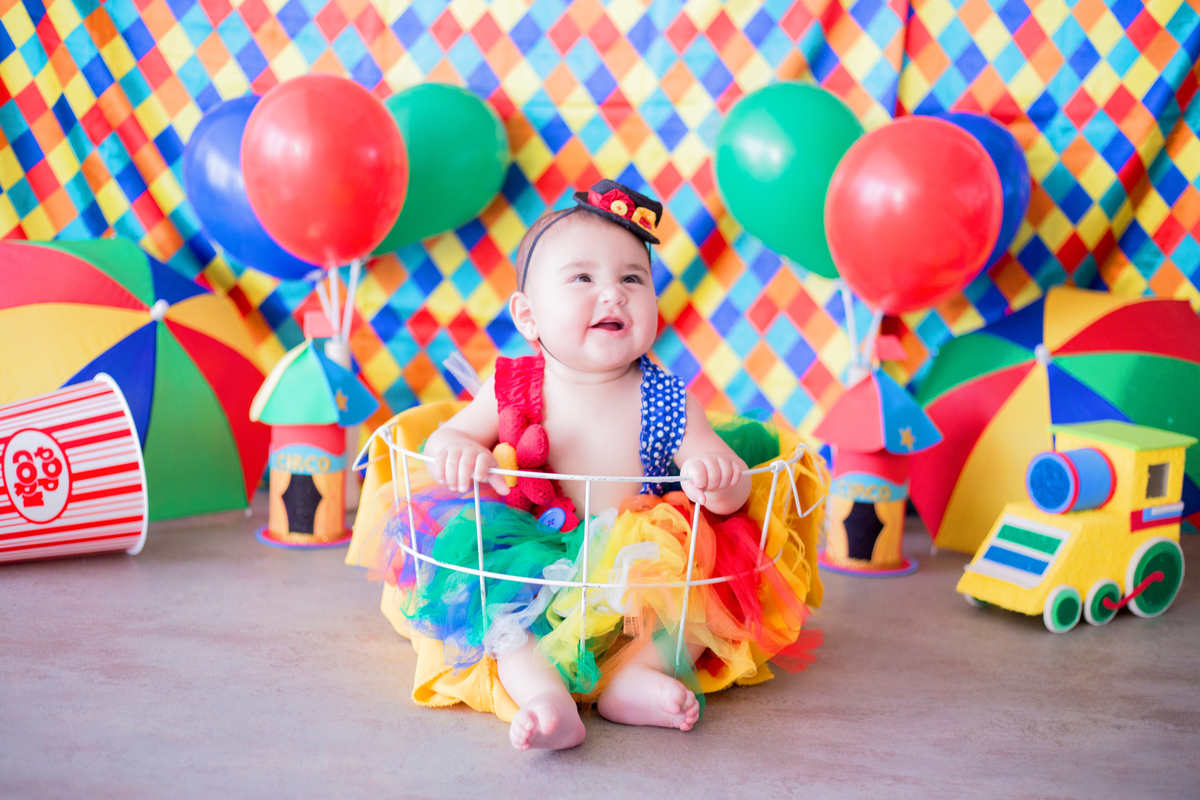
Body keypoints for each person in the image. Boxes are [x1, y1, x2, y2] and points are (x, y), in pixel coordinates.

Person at [348, 180, 825, 751]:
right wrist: (460, 452)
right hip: (530, 547)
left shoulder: (667, 398)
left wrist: (717, 479)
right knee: (498, 620)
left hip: (639, 558)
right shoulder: (513, 383)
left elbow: (717, 470)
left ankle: (638, 676)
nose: (614, 295)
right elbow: (448, 437)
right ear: (528, 316)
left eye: (632, 278)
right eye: (583, 278)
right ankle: (544, 697)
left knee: (701, 595)